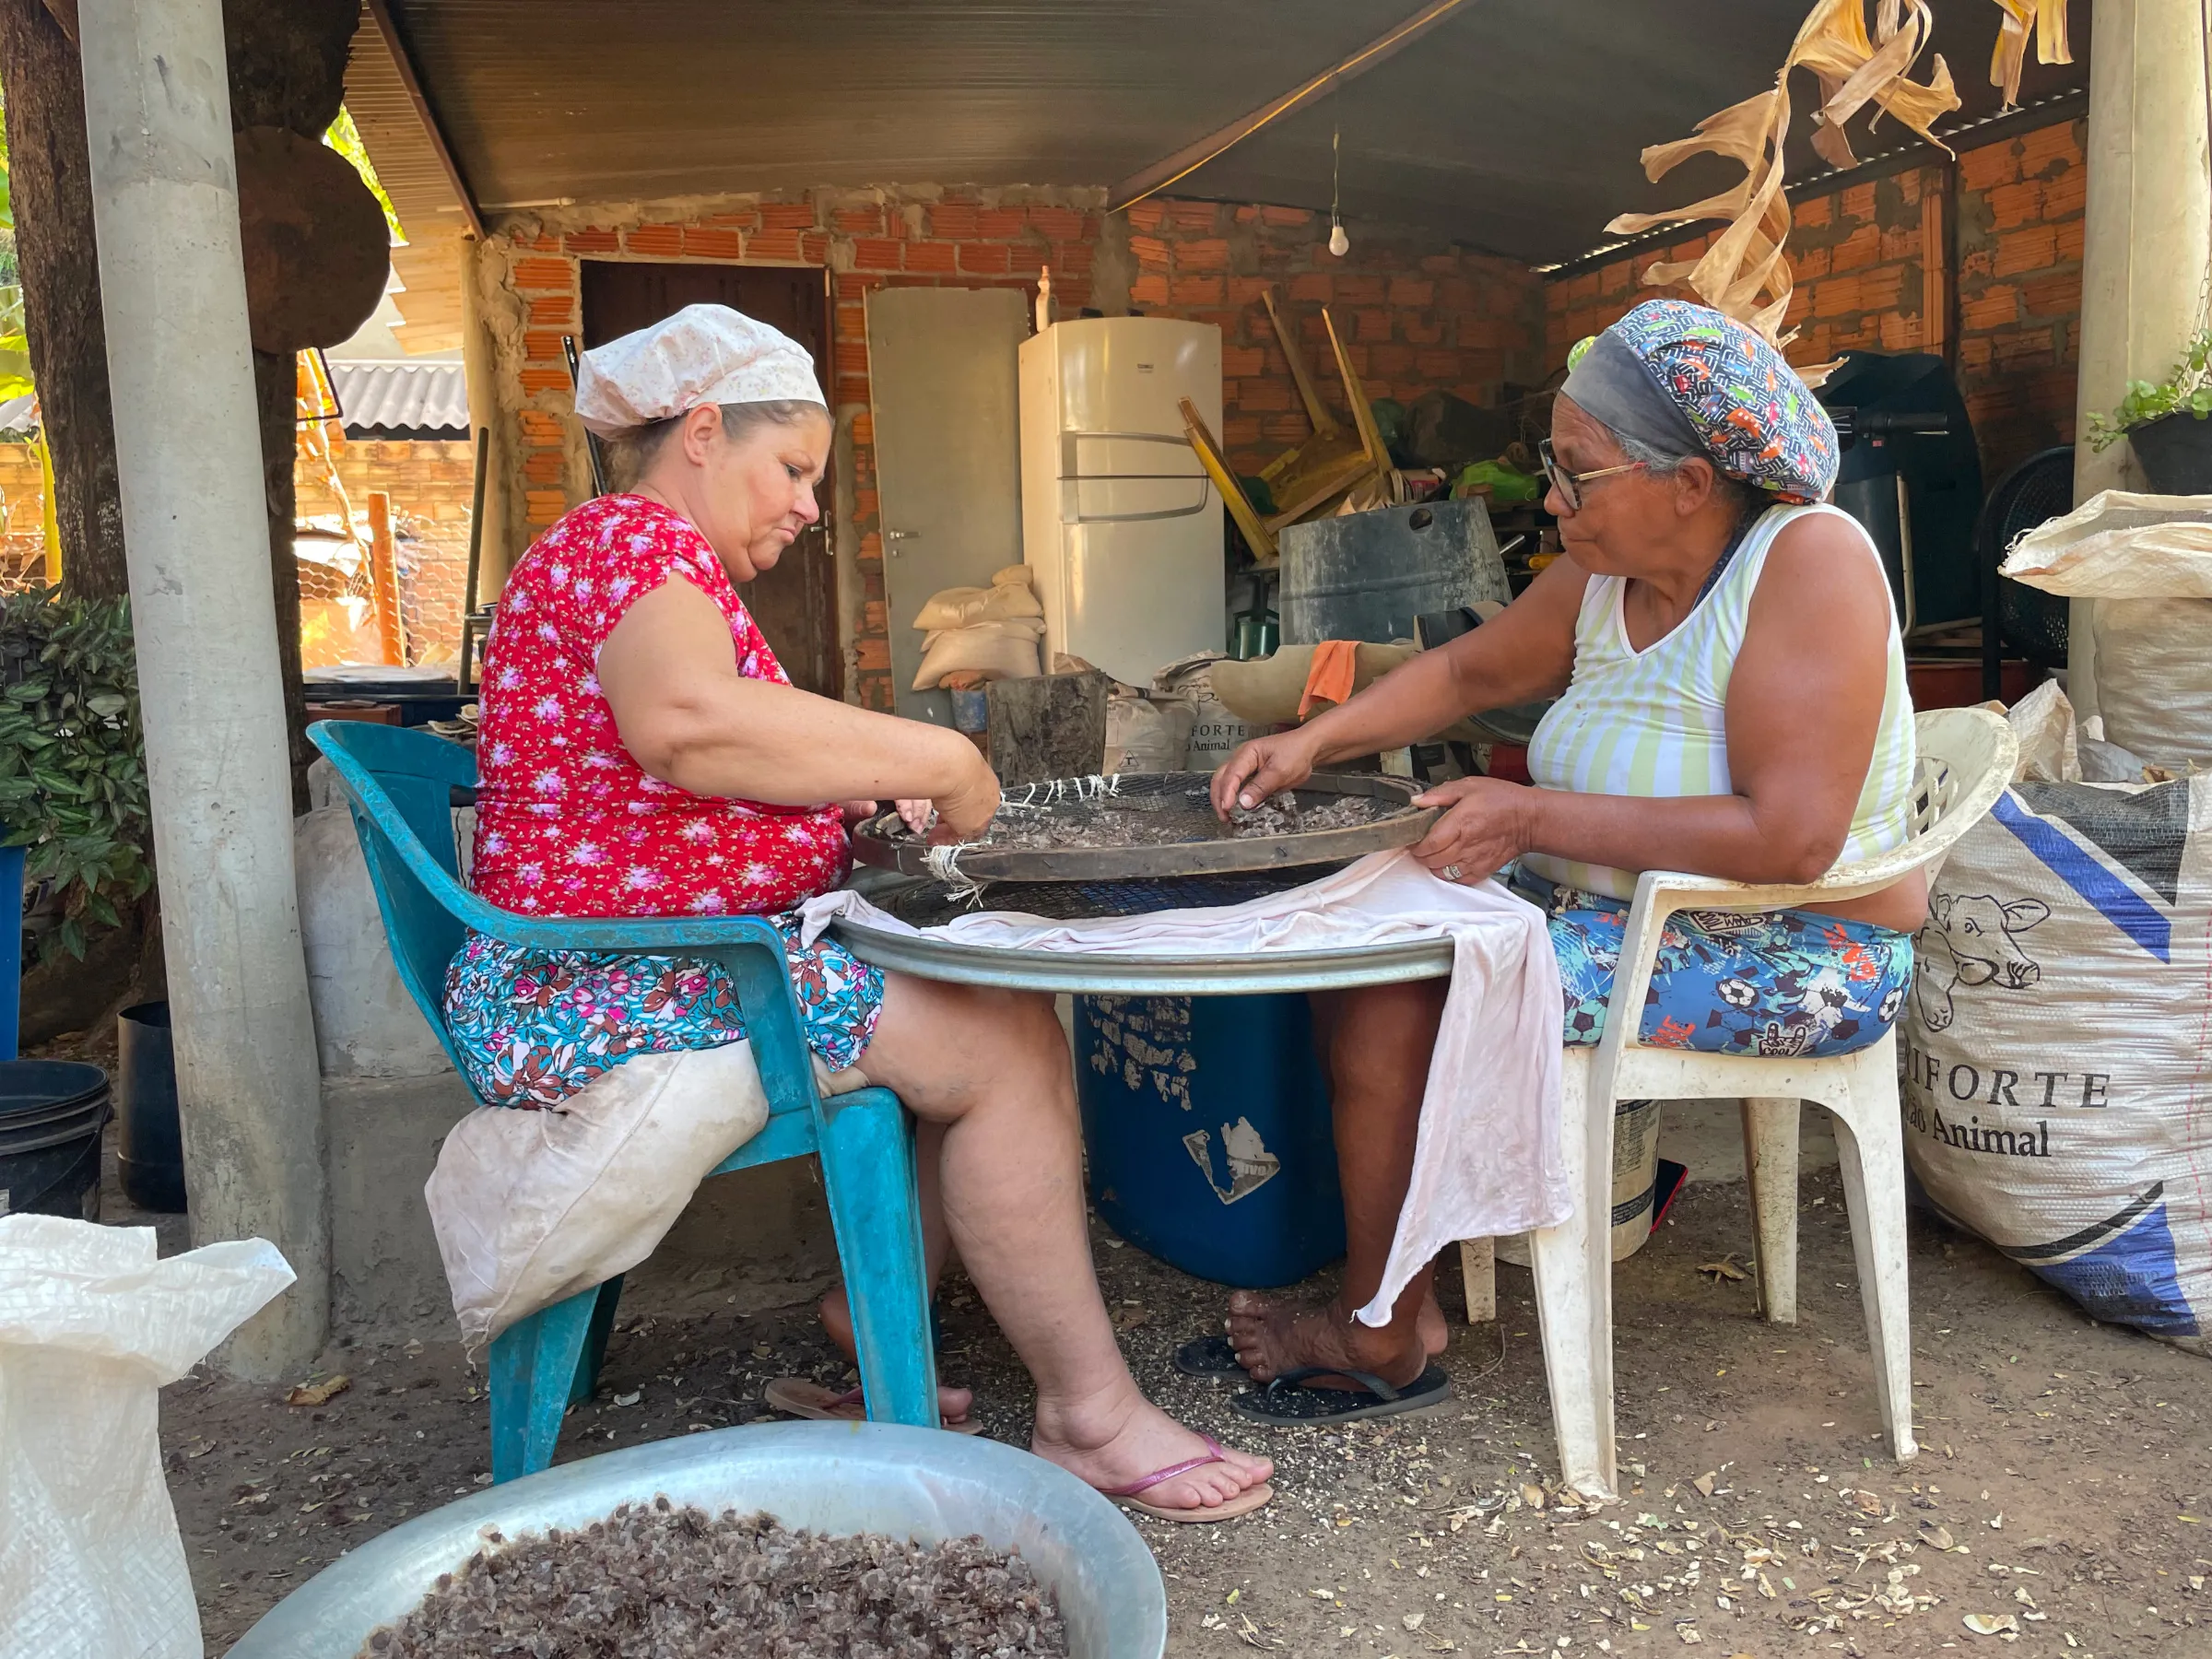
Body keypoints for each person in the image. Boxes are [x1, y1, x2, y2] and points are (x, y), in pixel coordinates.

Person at [444, 303, 1271, 1519]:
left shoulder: (626, 559)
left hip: (639, 958)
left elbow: (692, 759)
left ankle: (861, 1317)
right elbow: (684, 725)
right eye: (791, 470)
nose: (807, 507)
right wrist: (933, 761)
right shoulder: (632, 544)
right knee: (1002, 1048)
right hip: (613, 978)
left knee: (983, 1001)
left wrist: (849, 785)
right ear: (703, 432)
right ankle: (1089, 1417)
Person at [1204, 298, 1919, 1422]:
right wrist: (1311, 741)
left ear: (1689, 482)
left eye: (1578, 473)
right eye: (1555, 465)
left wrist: (1532, 819)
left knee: (1409, 975)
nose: (1551, 498)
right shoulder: (1600, 579)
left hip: (1794, 942)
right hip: (1615, 914)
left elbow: (1793, 838)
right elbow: (1459, 677)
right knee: (1352, 940)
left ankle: (1382, 1323)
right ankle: (1398, 1297)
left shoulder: (1807, 563)